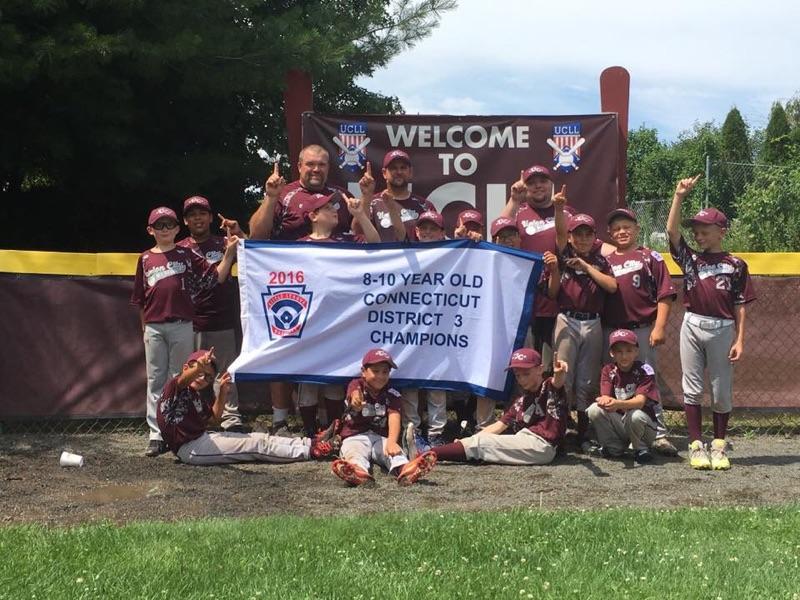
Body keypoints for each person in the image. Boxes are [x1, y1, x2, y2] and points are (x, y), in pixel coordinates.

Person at [131, 207, 238, 456]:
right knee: (155, 379)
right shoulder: (145, 258)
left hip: (182, 324)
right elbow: (139, 298)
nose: (165, 229)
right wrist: (144, 326)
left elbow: (215, 277)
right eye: (160, 226)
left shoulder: (186, 253)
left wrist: (230, 252)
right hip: (155, 325)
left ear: (178, 229)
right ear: (151, 230)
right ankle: (156, 433)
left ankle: (175, 429)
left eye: (169, 225)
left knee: (179, 378)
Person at [666, 175, 756, 470]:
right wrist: (679, 196)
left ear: (722, 231)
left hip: (722, 328)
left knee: (720, 391)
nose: (699, 235)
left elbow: (740, 304)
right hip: (692, 324)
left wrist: (740, 339)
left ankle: (718, 445)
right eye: (697, 231)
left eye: (705, 230)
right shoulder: (690, 259)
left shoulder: (736, 264)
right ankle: (695, 445)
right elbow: (671, 230)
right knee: (691, 388)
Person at [295, 189, 385, 435]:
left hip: (340, 321)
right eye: (327, 208)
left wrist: (360, 215)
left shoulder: (346, 240)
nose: (335, 211)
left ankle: (334, 429)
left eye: (335, 207)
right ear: (313, 215)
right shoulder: (299, 246)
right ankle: (309, 430)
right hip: (310, 322)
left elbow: (376, 244)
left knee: (335, 377)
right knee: (309, 378)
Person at [157, 348, 335, 465]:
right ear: (186, 367)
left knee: (258, 436)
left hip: (204, 438)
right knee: (256, 445)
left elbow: (213, 419)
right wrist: (198, 369)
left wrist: (223, 393)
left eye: (207, 376)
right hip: (190, 449)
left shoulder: (194, 395)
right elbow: (181, 380)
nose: (202, 378)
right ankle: (311, 451)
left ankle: (310, 441)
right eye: (199, 372)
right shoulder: (173, 388)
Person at [602, 207, 678, 456]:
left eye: (626, 227)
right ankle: (614, 434)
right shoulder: (606, 260)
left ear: (637, 229)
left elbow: (665, 294)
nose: (622, 232)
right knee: (612, 381)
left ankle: (659, 434)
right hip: (611, 330)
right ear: (609, 233)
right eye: (616, 228)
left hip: (642, 328)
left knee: (648, 380)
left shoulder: (650, 256)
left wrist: (659, 326)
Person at [546, 190, 617, 450]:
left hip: (593, 322)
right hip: (567, 319)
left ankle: (585, 434)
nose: (583, 238)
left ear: (595, 237)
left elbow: (612, 287)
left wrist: (587, 267)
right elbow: (559, 235)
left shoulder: (600, 261)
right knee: (564, 377)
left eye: (588, 234)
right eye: (579, 234)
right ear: (572, 237)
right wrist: (558, 209)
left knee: (587, 382)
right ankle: (560, 431)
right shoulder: (563, 256)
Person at [177, 195, 245, 432]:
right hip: (190, 321)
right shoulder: (179, 250)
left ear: (209, 217)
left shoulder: (224, 243)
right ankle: (191, 417)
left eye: (202, 213)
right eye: (192, 214)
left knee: (225, 373)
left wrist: (240, 233)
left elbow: (254, 256)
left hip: (222, 318)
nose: (198, 218)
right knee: (192, 372)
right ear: (185, 221)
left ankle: (230, 418)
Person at [431, 348, 568, 465]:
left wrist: (559, 374)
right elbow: (498, 426)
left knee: (482, 444)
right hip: (527, 441)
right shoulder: (521, 401)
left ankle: (425, 454)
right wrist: (469, 440)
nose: (521, 379)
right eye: (518, 375)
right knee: (480, 442)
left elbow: (557, 383)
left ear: (540, 369)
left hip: (542, 445)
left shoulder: (548, 387)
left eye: (526, 374)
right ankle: (430, 454)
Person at [499, 165, 575, 366]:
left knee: (555, 364)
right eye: (531, 182)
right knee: (526, 361)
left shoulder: (565, 211)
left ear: (551, 183)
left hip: (560, 299)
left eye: (542, 181)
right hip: (526, 299)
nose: (537, 186)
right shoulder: (519, 212)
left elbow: (584, 243)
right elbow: (497, 231)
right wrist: (514, 199)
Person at [330, 349, 437, 486]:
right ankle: (357, 472)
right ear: (363, 371)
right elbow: (354, 394)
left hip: (381, 438)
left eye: (385, 372)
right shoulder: (356, 385)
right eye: (375, 371)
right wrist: (356, 401)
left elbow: (394, 417)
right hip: (354, 436)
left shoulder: (393, 394)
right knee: (355, 453)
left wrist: (392, 441)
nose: (380, 376)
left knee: (395, 452)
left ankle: (406, 470)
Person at [587, 329, 665, 464]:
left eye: (629, 351)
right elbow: (605, 397)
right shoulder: (608, 370)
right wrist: (603, 400)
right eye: (619, 351)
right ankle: (614, 448)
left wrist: (617, 403)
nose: (624, 356)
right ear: (612, 353)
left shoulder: (645, 370)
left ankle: (641, 449)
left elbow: (640, 402)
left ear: (637, 352)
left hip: (644, 425)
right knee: (594, 409)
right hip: (621, 422)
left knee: (634, 415)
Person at [367, 149, 435, 241]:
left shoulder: (425, 206)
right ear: (384, 173)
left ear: (410, 172)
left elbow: (438, 241)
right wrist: (365, 195)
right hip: (383, 255)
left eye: (403, 168)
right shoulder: (372, 203)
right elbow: (358, 232)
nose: (399, 172)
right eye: (393, 168)